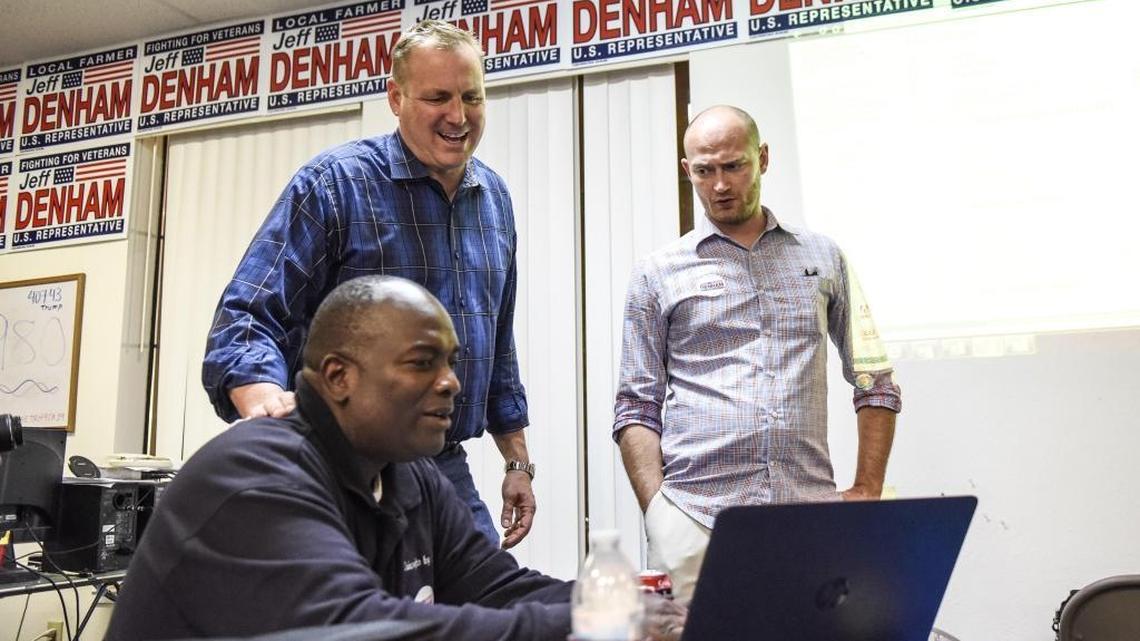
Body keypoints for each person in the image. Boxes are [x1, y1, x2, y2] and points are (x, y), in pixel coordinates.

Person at [201, 20, 535, 548]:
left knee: (486, 611)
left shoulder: (493, 198)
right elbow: (248, 313)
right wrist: (262, 401)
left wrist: (517, 459)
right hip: (341, 463)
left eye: (472, 97)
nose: (458, 115)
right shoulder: (335, 184)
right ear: (396, 97)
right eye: (437, 97)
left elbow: (496, 338)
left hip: (441, 465)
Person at [107, 276, 571, 640]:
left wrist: (623, 603)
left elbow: (495, 590)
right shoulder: (256, 476)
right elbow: (359, 627)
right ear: (338, 377)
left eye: (450, 362)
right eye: (422, 362)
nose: (451, 382)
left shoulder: (409, 473)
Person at [613, 105, 902, 604]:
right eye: (704, 171)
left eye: (734, 166)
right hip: (695, 516)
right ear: (688, 172)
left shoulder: (823, 257)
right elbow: (635, 405)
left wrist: (867, 488)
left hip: (807, 512)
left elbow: (875, 379)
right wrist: (658, 509)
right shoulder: (657, 272)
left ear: (762, 158)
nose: (721, 185)